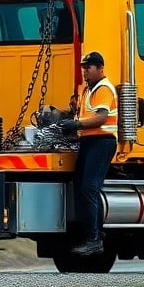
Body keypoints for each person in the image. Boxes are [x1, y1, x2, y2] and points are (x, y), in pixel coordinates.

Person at [56, 51, 118, 256]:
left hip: (102, 142)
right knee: (82, 187)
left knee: (90, 187)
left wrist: (76, 124)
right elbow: (84, 114)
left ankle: (94, 239)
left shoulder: (103, 88)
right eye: (84, 68)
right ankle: (95, 235)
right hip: (90, 141)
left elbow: (100, 118)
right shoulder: (87, 90)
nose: (85, 71)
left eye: (89, 67)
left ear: (100, 68)